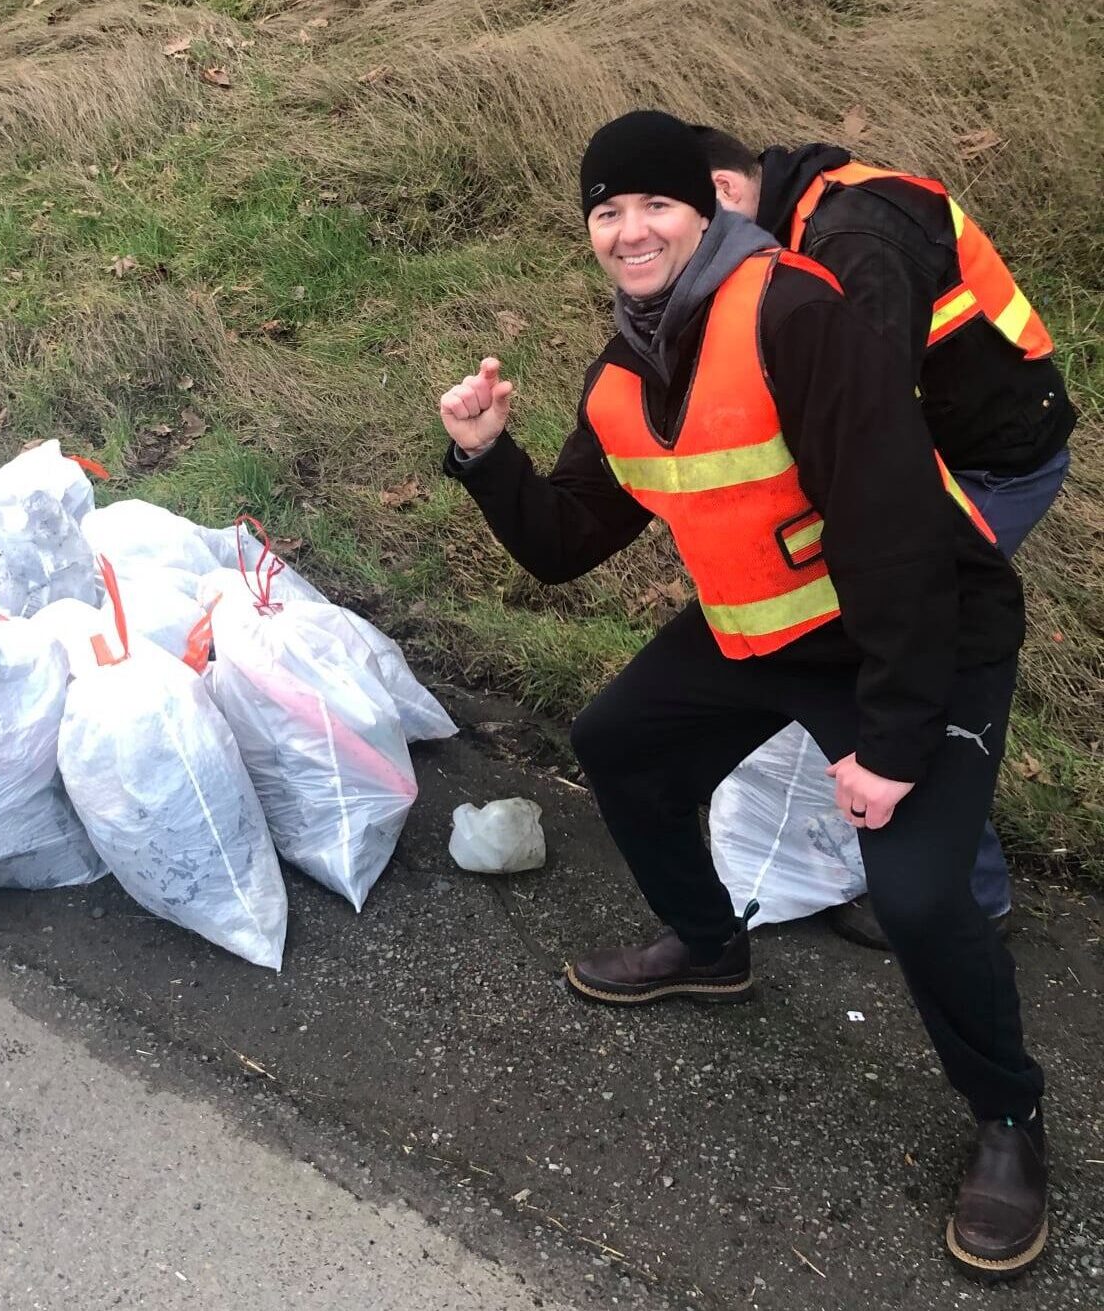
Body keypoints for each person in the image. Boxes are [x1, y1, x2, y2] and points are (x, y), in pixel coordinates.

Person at [440, 109, 1047, 1279]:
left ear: (708, 208)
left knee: (917, 896)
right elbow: (566, 541)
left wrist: (898, 739)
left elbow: (899, 538)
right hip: (770, 632)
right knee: (619, 741)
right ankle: (713, 948)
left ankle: (1010, 1118)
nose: (628, 230)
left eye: (654, 204)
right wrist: (485, 458)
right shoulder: (626, 370)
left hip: (926, 637)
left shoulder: (796, 315)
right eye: (606, 211)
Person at [696, 126, 1077, 950]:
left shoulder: (855, 240)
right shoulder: (802, 210)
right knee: (886, 633)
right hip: (949, 448)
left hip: (989, 467)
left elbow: (871, 424)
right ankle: (906, 847)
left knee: (918, 633)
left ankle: (969, 897)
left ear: (726, 194)